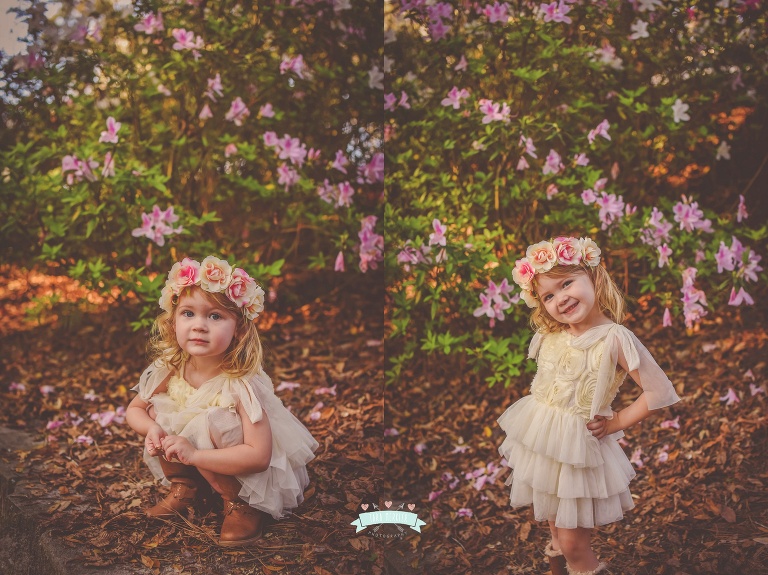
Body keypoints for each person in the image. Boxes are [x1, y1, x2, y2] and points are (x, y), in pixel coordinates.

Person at [497, 237, 680, 575]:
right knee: (555, 529)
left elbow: (659, 390)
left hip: (577, 454)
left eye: (567, 283)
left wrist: (616, 422)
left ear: (593, 277)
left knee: (573, 544)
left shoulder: (614, 338)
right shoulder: (551, 334)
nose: (560, 298)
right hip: (545, 446)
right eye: (548, 296)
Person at [126, 255, 319, 547]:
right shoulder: (172, 366)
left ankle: (242, 502)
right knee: (158, 409)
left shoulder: (240, 384)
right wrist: (152, 429)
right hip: (198, 459)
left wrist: (194, 455)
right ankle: (188, 486)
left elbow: (259, 456)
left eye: (215, 316)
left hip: (245, 473)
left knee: (216, 420)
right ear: (173, 322)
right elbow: (135, 410)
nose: (199, 326)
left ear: (239, 329)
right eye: (188, 313)